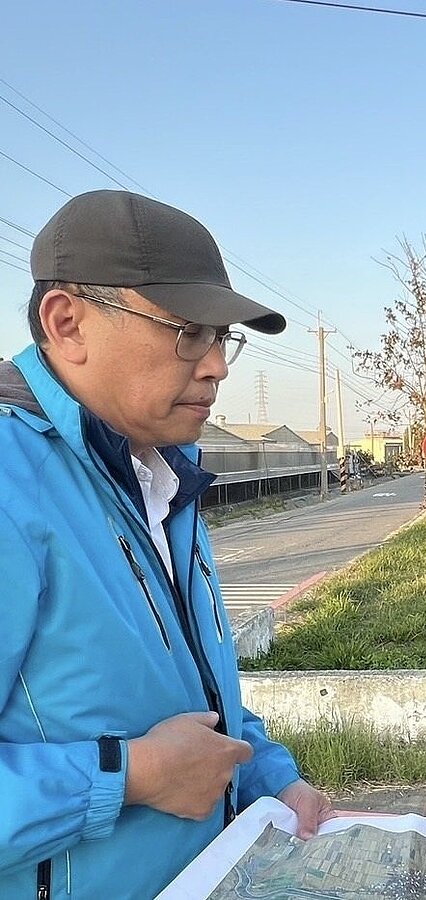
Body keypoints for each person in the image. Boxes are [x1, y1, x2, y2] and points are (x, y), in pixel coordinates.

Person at [0, 190, 333, 898]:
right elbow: (158, 755)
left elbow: (201, 699)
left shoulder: (158, 477)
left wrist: (278, 778)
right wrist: (134, 776)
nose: (216, 366)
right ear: (68, 323)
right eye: (189, 332)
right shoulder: (9, 482)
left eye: (222, 338)